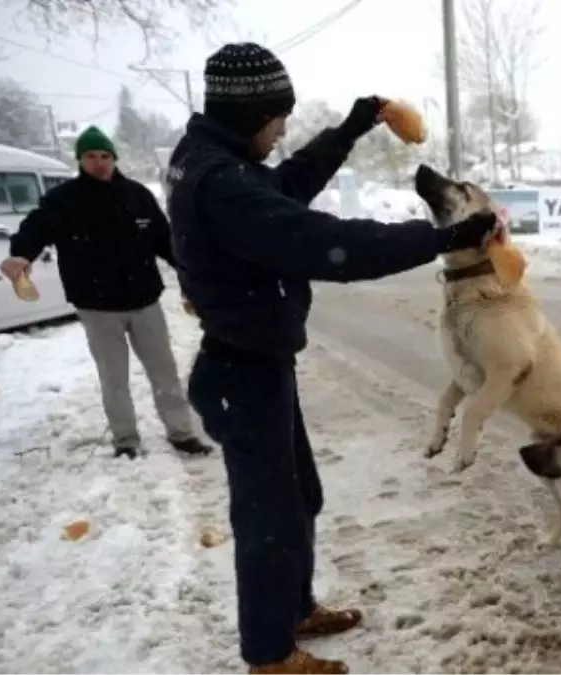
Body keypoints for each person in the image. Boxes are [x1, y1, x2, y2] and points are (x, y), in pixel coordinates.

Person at [166, 43, 498, 675]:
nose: (283, 129)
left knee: (298, 499)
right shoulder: (220, 181)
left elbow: (285, 188)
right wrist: (442, 238)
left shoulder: (218, 161)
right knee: (268, 517)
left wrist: (348, 129)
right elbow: (320, 241)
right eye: (277, 118)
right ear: (250, 113)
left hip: (255, 363)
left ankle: (292, 610)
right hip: (243, 368)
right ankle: (270, 654)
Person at [1, 126, 213, 460]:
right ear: (80, 160)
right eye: (91, 157)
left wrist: (195, 272)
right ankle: (126, 440)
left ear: (114, 159)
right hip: (97, 307)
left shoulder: (137, 196)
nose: (99, 163)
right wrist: (20, 254)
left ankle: (181, 433)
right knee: (114, 378)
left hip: (144, 302)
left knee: (165, 372)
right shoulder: (63, 200)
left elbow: (166, 241)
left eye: (104, 156)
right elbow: (35, 227)